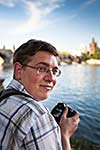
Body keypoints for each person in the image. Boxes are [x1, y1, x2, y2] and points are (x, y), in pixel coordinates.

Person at [0, 39, 80, 150]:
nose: (52, 78)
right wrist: (64, 135)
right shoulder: (37, 116)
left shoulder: (3, 99)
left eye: (54, 71)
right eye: (42, 69)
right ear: (18, 70)